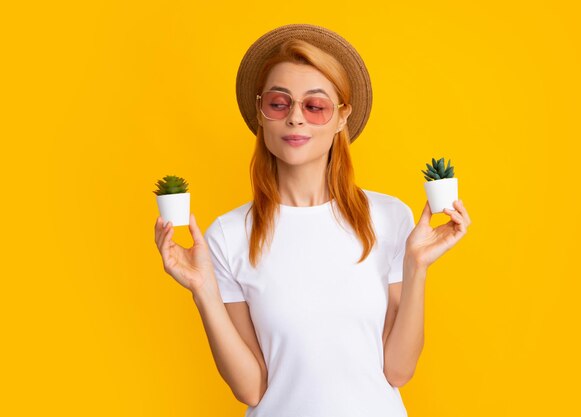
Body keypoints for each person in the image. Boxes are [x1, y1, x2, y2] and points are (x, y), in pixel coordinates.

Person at [154, 24, 471, 417]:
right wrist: (202, 289)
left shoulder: (389, 218)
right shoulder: (228, 234)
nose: (295, 119)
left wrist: (416, 266)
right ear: (261, 114)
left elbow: (399, 370)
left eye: (315, 106)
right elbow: (251, 389)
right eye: (279, 103)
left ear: (342, 117)